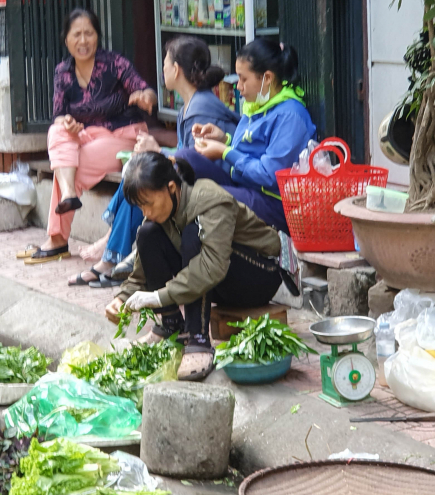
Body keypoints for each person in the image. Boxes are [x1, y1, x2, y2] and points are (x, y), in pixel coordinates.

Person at [107, 152, 294, 381]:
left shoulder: (209, 199)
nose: (146, 213)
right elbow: (140, 272)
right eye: (141, 207)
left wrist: (159, 297)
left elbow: (212, 266)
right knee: (147, 233)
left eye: (149, 204)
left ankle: (198, 339)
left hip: (260, 275)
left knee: (192, 235)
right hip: (223, 278)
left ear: (171, 187)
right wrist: (122, 298)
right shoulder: (161, 211)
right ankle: (171, 324)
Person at [68, 36, 238, 287]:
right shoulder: (190, 105)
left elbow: (191, 166)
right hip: (196, 182)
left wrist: (157, 150)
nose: (163, 70)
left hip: (208, 189)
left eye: (166, 64)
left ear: (177, 69)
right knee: (136, 172)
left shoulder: (200, 108)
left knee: (143, 180)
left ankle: (112, 255)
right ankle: (112, 248)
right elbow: (184, 153)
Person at [19, 8, 156, 265]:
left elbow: (144, 89)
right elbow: (58, 115)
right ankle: (67, 199)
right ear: (66, 39)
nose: (84, 41)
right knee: (57, 132)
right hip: (87, 136)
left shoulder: (115, 63)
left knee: (68, 168)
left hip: (124, 135)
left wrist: (145, 97)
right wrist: (68, 123)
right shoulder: (63, 71)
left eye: (89, 34)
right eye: (77, 35)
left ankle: (58, 238)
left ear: (98, 36)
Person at [175, 40, 316, 232]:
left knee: (205, 197)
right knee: (185, 157)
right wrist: (224, 139)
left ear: (266, 78)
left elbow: (269, 174)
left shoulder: (290, 115)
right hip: (246, 187)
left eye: (243, 79)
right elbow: (253, 151)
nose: (238, 86)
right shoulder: (257, 104)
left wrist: (226, 152)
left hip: (274, 204)